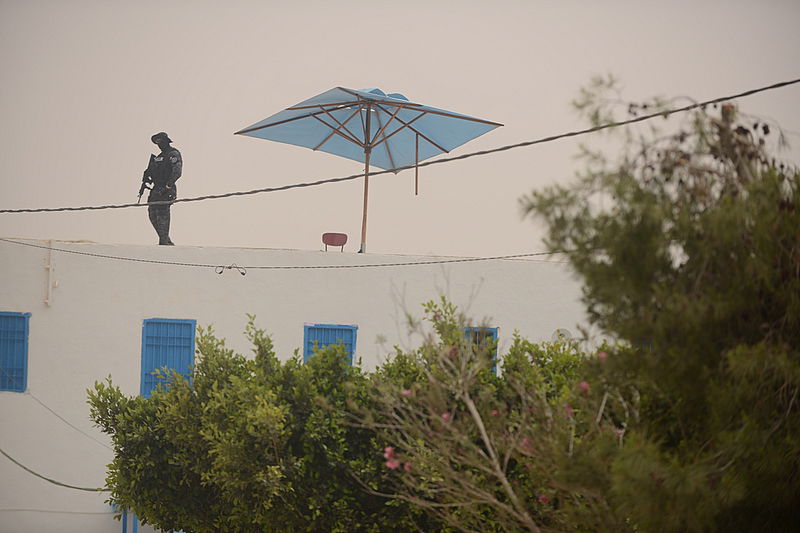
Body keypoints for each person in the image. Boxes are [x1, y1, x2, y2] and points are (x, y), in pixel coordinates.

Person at [142, 132, 182, 245]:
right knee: (152, 214)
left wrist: (168, 186)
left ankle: (164, 242)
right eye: (157, 143)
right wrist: (147, 177)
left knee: (162, 214)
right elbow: (152, 172)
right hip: (156, 189)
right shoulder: (158, 158)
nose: (159, 144)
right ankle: (165, 240)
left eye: (161, 142)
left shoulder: (173, 154)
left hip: (166, 189)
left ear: (166, 141)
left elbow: (177, 171)